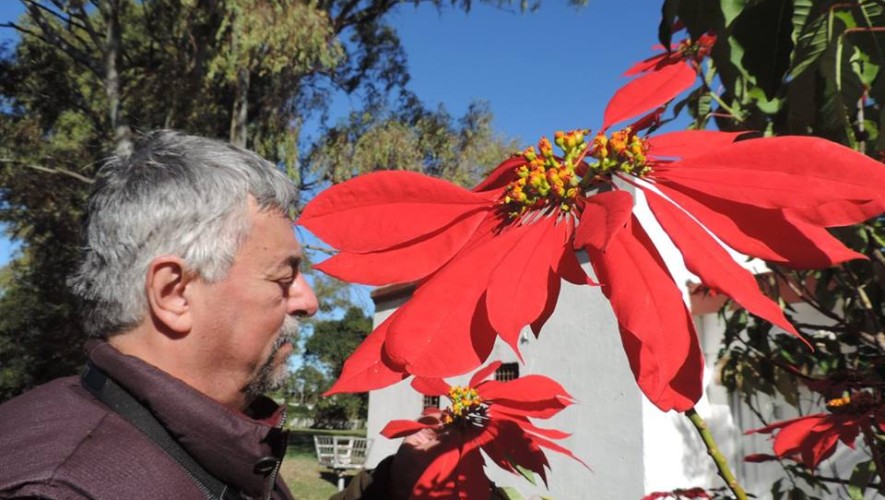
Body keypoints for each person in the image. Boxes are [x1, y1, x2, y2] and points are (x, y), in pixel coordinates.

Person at [0, 131, 436, 500]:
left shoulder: (214, 434)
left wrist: (392, 483)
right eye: (284, 277)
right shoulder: (60, 490)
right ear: (174, 293)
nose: (308, 301)